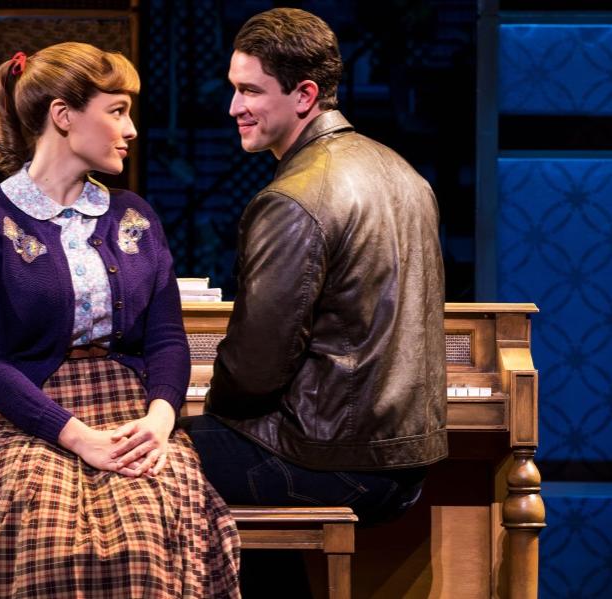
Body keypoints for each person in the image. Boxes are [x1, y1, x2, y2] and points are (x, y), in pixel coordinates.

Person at [0, 42, 240, 598]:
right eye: (117, 110)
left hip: (129, 405)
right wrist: (78, 438)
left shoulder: (135, 216)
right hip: (28, 413)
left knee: (152, 520)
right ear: (63, 116)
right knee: (40, 528)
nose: (131, 129)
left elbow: (167, 337)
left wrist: (159, 420)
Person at [180, 8, 447, 527]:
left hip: (329, 458)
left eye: (252, 91)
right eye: (235, 89)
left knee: (140, 464)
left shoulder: (292, 198)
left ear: (304, 95)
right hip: (404, 458)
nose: (234, 106)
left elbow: (254, 372)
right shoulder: (403, 173)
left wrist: (210, 406)